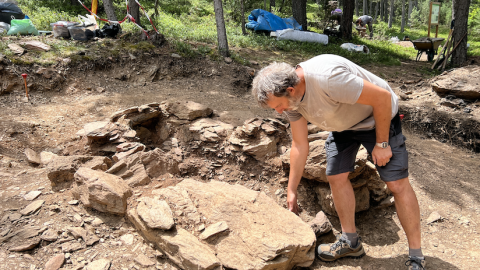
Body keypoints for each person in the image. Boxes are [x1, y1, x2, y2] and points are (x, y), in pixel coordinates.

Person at [251, 54, 425, 270]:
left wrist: (381, 144)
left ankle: (416, 257)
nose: (279, 112)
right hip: (344, 125)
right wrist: (292, 189)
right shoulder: (292, 103)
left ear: (290, 90)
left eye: (278, 106)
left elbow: (382, 98)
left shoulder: (328, 79)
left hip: (376, 117)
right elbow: (299, 145)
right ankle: (350, 242)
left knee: (397, 184)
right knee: (335, 175)